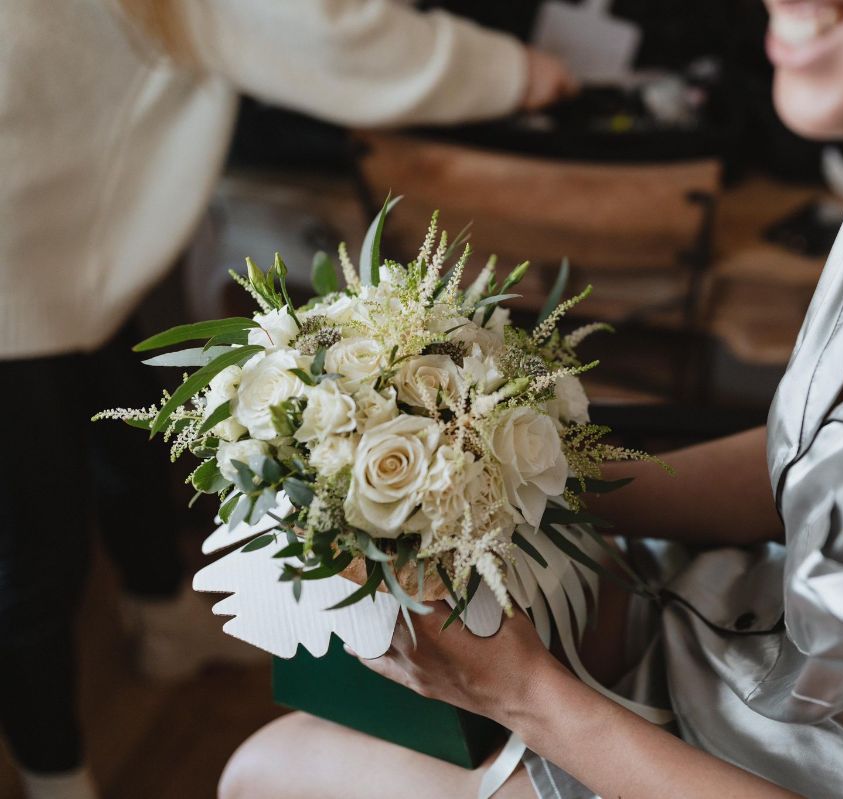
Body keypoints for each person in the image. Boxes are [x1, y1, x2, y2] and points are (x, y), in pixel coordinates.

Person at [220, 0, 843, 797]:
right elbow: (811, 465)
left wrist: (531, 698)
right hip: (759, 635)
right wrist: (510, 471)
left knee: (265, 772)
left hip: (814, 764)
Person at [0, 1, 575, 798]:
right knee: (33, 547)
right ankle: (54, 774)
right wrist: (518, 74)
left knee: (123, 429)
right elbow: (325, 31)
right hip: (16, 249)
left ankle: (162, 617)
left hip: (49, 219)